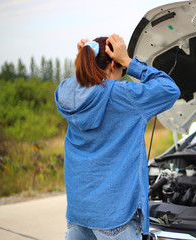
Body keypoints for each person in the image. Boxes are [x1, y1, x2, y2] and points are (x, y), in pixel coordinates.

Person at [54, 34, 180, 239]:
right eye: (122, 71)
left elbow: (83, 84)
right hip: (114, 217)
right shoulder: (123, 95)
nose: (122, 76)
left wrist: (85, 62)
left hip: (78, 213)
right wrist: (129, 61)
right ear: (113, 65)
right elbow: (169, 89)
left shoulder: (66, 92)